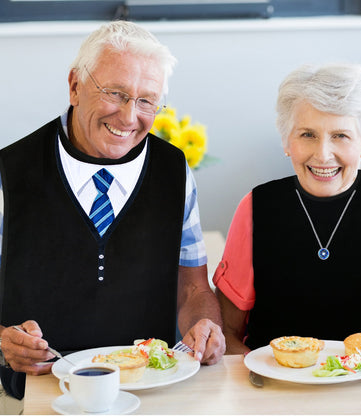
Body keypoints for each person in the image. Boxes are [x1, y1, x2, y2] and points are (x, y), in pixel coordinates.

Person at [0, 21, 225, 398]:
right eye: (116, 93)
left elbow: (192, 288)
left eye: (146, 101)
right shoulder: (9, 172)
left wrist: (205, 326)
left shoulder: (175, 170)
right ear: (75, 86)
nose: (128, 117)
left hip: (153, 388)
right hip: (40, 393)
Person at [214, 63, 361, 354]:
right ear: (286, 141)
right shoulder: (257, 207)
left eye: (340, 136)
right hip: (276, 386)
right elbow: (226, 331)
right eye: (307, 134)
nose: (323, 154)